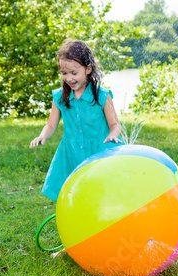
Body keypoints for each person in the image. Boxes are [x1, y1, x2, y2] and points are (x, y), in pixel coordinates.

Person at [30, 39, 124, 202]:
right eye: (64, 73)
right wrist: (43, 135)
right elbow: (51, 124)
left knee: (102, 192)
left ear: (88, 69)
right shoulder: (60, 97)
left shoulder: (102, 95)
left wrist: (113, 135)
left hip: (99, 149)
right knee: (75, 193)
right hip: (72, 151)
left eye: (74, 73)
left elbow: (115, 124)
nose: (69, 78)